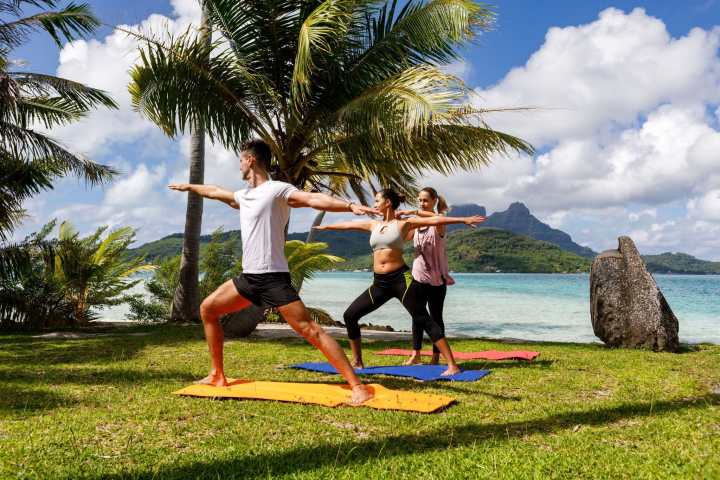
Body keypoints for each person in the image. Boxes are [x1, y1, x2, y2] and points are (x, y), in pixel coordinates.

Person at [169, 139, 378, 405]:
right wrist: (190, 186)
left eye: (241, 160)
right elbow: (214, 191)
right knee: (208, 309)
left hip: (273, 278)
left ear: (251, 160)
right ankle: (217, 375)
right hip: (249, 278)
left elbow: (312, 198)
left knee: (311, 331)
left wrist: (348, 206)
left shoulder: (277, 190)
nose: (240, 166)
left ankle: (357, 385)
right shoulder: (243, 196)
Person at [313, 188, 486, 376]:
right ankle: (357, 361)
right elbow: (349, 225)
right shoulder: (373, 225)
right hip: (380, 283)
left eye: (377, 200)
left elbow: (435, 220)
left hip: (401, 278)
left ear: (388, 202)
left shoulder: (404, 224)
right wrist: (328, 227)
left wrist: (462, 220)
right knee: (350, 315)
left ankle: (452, 365)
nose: (374, 204)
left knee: (422, 318)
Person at [396, 187, 454, 365]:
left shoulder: (439, 222)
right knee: (417, 316)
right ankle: (416, 354)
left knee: (436, 317)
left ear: (434, 201)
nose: (422, 203)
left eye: (425, 200)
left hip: (437, 279)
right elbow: (403, 236)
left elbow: (438, 219)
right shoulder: (416, 224)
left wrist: (414, 213)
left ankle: (436, 356)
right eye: (419, 200)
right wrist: (399, 220)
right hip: (418, 277)